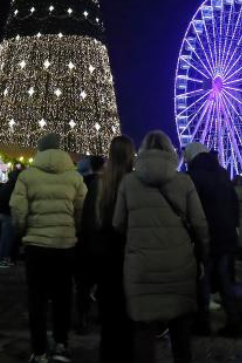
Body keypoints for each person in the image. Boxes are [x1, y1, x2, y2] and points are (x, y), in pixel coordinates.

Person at [113, 131, 208, 363]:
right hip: (180, 264)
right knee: (181, 332)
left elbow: (118, 223)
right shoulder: (184, 181)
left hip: (141, 266)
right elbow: (200, 224)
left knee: (144, 331)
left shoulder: (129, 182)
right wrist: (202, 256)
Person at [11, 132, 88, 363]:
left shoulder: (27, 176)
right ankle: (62, 344)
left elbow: (17, 210)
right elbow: (82, 209)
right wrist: (72, 229)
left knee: (37, 299)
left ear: (40, 150)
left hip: (36, 245)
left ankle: (40, 350)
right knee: (63, 297)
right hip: (65, 245)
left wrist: (23, 231)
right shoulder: (74, 177)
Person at [183, 142, 242, 337]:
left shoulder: (194, 176)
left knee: (203, 278)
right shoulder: (223, 173)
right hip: (226, 235)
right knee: (225, 279)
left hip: (207, 235)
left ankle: (203, 322)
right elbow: (235, 203)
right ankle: (234, 321)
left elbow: (192, 209)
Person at [92, 136, 135, 363]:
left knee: (108, 317)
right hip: (126, 252)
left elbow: (94, 221)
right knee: (127, 314)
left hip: (105, 255)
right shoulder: (134, 182)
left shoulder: (101, 183)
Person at [73, 155, 105, 334]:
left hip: (83, 238)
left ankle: (82, 317)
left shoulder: (80, 183)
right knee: (102, 279)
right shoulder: (107, 185)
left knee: (82, 283)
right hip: (101, 239)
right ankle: (101, 314)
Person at [0, 164, 22, 267]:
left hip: (3, 213)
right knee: (7, 238)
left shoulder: (7, 184)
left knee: (5, 237)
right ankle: (2, 259)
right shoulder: (13, 186)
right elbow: (12, 201)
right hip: (8, 214)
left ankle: (2, 258)